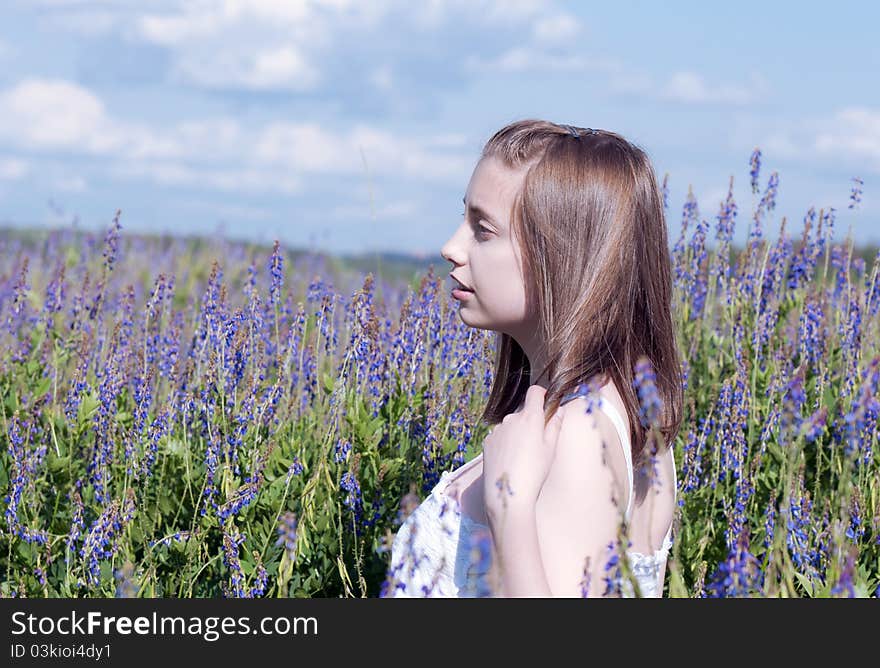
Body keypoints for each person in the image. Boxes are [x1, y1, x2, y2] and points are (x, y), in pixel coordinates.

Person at [385, 119, 684, 598]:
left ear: (559, 256)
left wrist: (510, 511)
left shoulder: (577, 435)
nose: (451, 248)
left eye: (483, 229)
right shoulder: (628, 412)